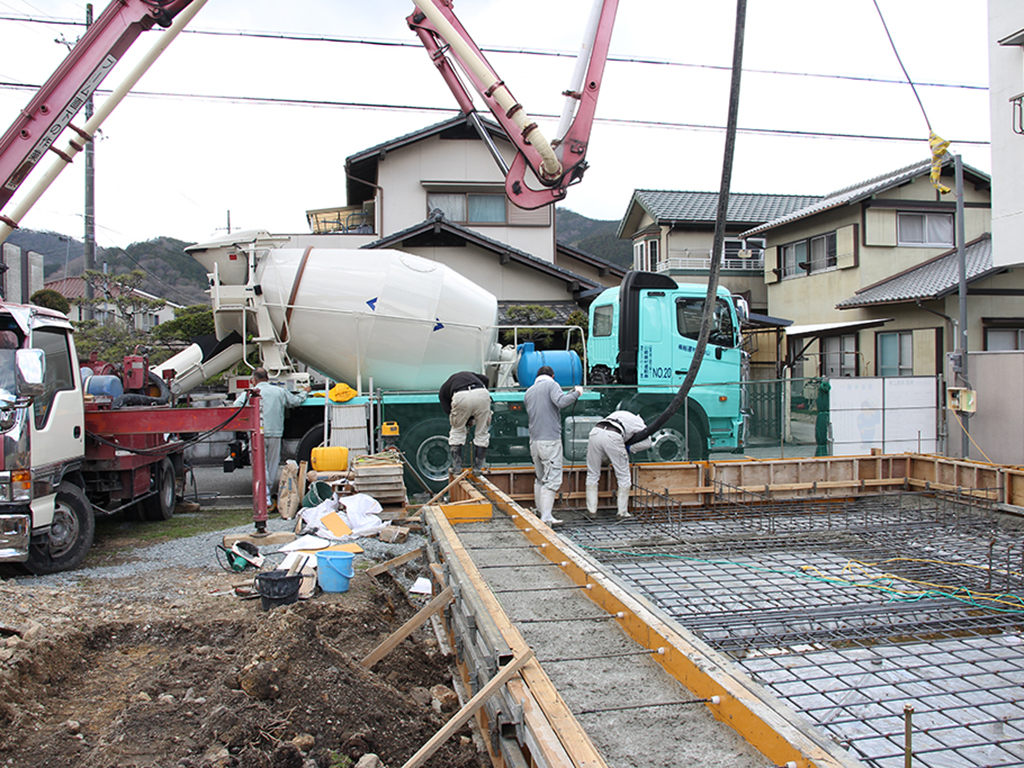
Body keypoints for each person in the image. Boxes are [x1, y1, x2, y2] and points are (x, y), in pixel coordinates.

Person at [234, 368, 309, 509]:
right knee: (273, 463)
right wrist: (305, 392)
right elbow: (294, 401)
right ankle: (269, 491)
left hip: (257, 433)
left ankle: (265, 496)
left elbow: (237, 406)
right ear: (268, 378)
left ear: (254, 380)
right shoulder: (279, 391)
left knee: (259, 464)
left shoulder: (250, 393)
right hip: (275, 432)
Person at [523, 366, 582, 526]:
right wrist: (576, 393)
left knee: (541, 478)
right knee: (552, 479)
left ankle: (540, 512)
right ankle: (547, 518)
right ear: (553, 375)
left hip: (534, 441)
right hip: (550, 440)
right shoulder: (551, 384)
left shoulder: (529, 391)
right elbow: (561, 402)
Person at [585, 410, 652, 518]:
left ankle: (591, 511)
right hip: (614, 435)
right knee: (623, 477)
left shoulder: (621, 414)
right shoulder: (640, 424)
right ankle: (622, 512)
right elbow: (647, 443)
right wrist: (628, 449)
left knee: (592, 474)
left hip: (595, 432)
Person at [438, 370, 492, 472]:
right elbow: (486, 379)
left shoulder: (444, 390)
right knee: (482, 432)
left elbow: (448, 408)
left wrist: (457, 418)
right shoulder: (473, 376)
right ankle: (477, 468)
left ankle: (457, 467)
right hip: (482, 393)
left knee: (457, 430)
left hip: (460, 396)